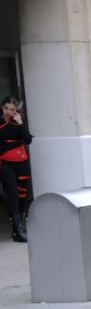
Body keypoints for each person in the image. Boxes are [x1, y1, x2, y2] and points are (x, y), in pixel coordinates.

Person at [0, 95, 30, 241]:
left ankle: (16, 228)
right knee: (12, 192)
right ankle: (18, 231)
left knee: (21, 195)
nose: (8, 112)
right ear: (2, 107)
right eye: (6, 108)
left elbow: (28, 140)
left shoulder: (18, 123)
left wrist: (20, 123)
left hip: (20, 162)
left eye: (12, 109)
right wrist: (15, 143)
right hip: (4, 163)